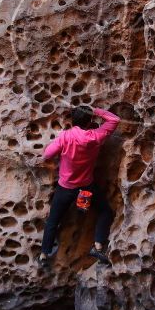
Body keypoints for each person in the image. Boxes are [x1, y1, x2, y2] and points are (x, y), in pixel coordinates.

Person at [37, 105, 120, 267]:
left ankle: (44, 255)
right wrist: (95, 110)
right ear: (90, 121)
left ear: (73, 120)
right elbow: (114, 119)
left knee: (53, 221)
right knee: (105, 211)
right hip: (86, 188)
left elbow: (47, 154)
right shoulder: (96, 136)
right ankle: (97, 245)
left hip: (65, 188)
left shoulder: (65, 137)